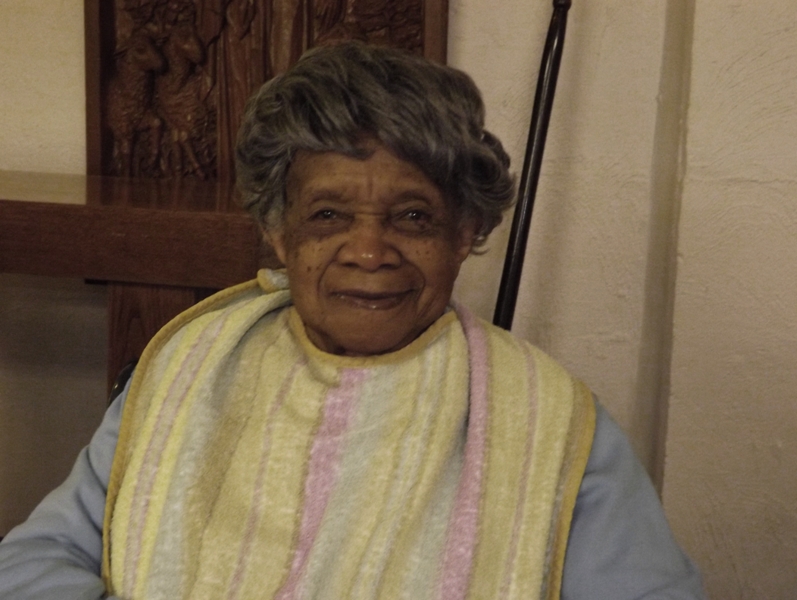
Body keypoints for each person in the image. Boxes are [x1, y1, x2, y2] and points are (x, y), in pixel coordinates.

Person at [0, 42, 706, 599]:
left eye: (413, 216)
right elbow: (36, 559)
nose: (369, 252)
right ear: (279, 232)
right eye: (329, 215)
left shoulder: (555, 423)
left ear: (465, 233)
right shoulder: (188, 371)